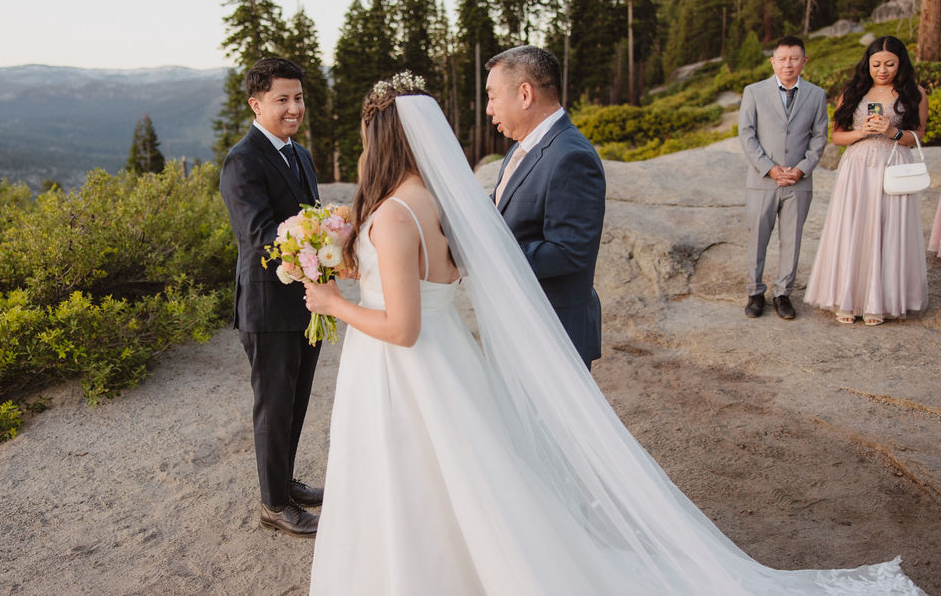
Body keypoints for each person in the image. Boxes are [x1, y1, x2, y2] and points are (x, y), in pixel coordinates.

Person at [303, 74, 923, 594]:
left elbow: (402, 326)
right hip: (450, 361)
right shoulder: (429, 200)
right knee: (470, 474)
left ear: (375, 138)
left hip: (407, 364)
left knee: (414, 477)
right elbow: (442, 273)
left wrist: (332, 299)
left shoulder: (390, 212)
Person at [218, 58, 323, 537]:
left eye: (298, 97)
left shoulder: (298, 155)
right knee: (274, 405)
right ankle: (273, 505)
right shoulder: (243, 160)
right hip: (267, 307)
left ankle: (283, 482)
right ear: (255, 103)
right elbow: (260, 236)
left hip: (305, 302)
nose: (293, 108)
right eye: (282, 99)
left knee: (297, 402)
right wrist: (319, 240)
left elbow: (310, 213)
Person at [485, 45, 605, 366]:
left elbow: (569, 252)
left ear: (525, 94)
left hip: (554, 335)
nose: (488, 109)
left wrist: (486, 254)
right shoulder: (521, 148)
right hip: (522, 327)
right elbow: (499, 210)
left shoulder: (571, 156)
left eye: (493, 96)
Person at [804, 36, 928, 324]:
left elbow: (918, 136)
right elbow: (837, 136)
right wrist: (861, 132)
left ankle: (880, 301)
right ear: (867, 64)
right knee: (854, 227)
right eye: (876, 64)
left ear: (901, 63)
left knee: (889, 229)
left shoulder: (916, 93)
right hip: (857, 168)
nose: (882, 70)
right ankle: (848, 299)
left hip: (893, 163)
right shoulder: (853, 91)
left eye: (889, 64)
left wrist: (891, 131)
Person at [740, 35, 829, 321]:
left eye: (794, 59)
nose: (788, 64)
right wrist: (770, 168)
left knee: (792, 239)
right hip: (763, 180)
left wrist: (802, 168)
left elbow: (819, 137)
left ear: (804, 61)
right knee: (758, 239)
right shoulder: (753, 91)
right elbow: (747, 134)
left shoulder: (816, 95)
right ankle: (755, 293)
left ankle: (783, 294)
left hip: (799, 181)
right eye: (782, 59)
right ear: (773, 62)